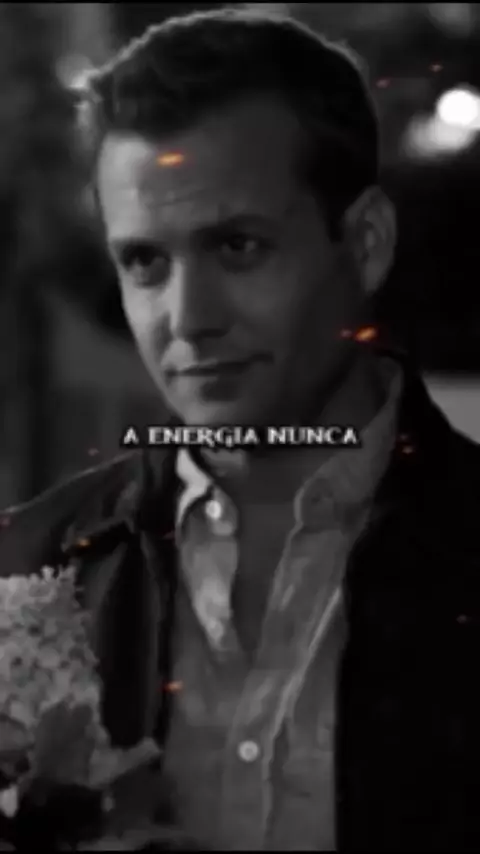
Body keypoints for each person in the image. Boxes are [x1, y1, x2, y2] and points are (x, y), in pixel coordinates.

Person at [1, 7, 480, 851]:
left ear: (366, 243)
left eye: (238, 247)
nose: (188, 319)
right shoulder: (27, 567)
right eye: (145, 261)